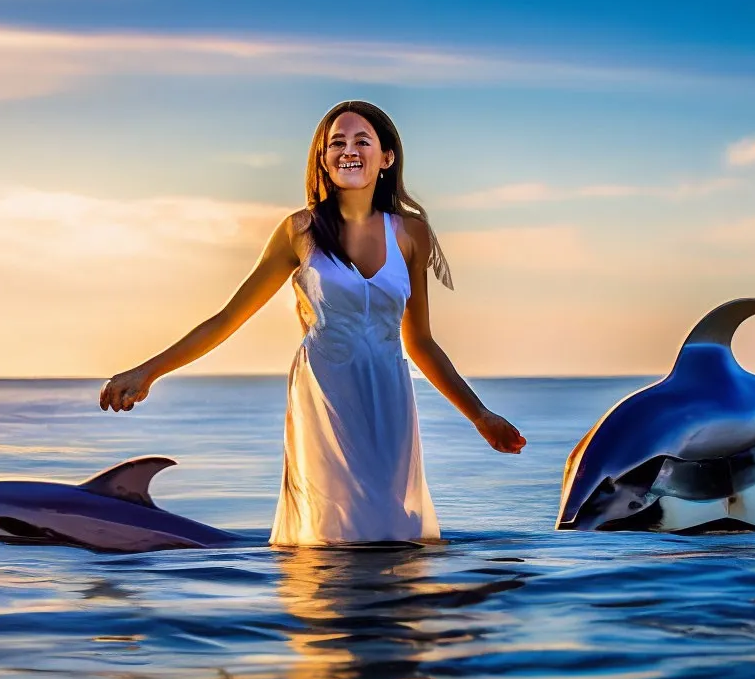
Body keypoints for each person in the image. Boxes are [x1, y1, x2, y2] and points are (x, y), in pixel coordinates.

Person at [100, 100, 526, 546]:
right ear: (322, 158)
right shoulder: (299, 231)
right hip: (324, 393)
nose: (348, 150)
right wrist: (148, 371)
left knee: (393, 526)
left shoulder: (410, 232)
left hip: (389, 396)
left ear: (387, 157)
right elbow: (228, 318)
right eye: (336, 142)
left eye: (362, 140)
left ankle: (390, 613)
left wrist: (479, 415)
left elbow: (419, 342)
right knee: (337, 530)